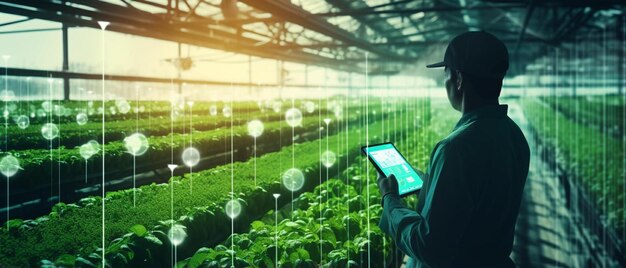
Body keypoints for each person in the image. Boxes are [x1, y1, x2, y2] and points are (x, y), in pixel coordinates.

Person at [376, 31, 531, 268]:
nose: (444, 83)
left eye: (445, 75)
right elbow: (474, 198)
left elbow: (429, 247)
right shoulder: (514, 136)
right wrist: (427, 181)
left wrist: (391, 200)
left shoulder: (456, 149)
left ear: (458, 79)